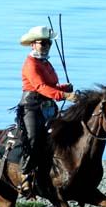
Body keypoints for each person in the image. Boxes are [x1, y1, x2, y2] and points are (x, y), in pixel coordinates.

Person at [17, 25, 76, 196]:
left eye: (48, 43)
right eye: (42, 43)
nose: (46, 46)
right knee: (33, 139)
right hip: (32, 107)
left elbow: (49, 85)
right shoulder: (30, 64)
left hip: (48, 106)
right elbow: (40, 87)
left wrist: (63, 87)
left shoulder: (46, 63)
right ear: (32, 45)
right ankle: (25, 175)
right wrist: (64, 95)